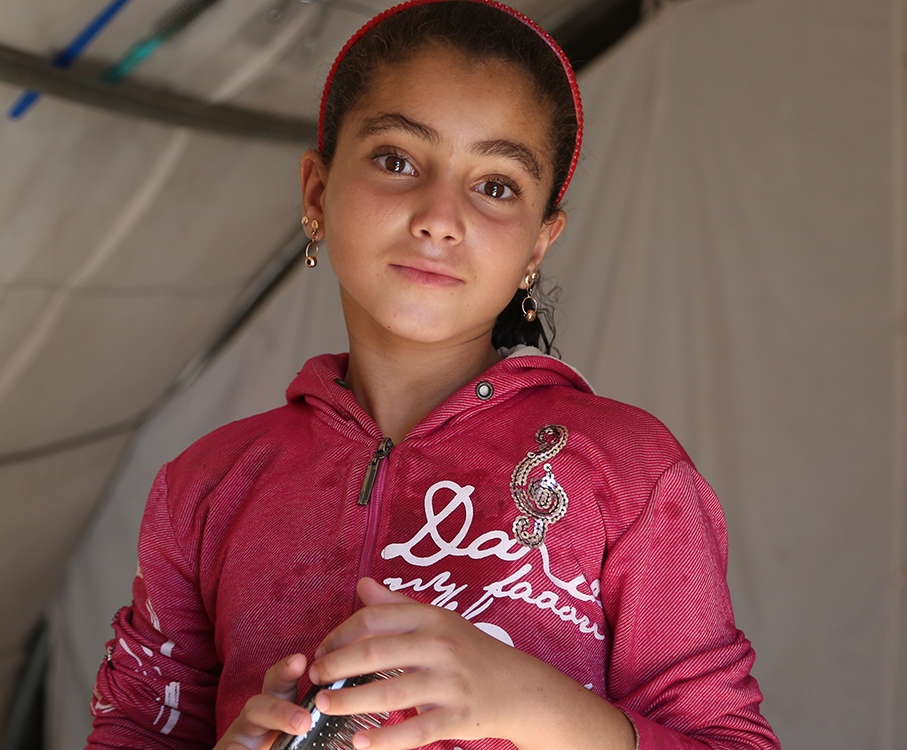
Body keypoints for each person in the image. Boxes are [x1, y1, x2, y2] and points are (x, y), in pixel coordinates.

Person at [86, 2, 779, 749]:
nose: (439, 216)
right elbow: (131, 731)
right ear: (316, 194)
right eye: (396, 161)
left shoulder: (631, 474)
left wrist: (535, 702)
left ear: (540, 243)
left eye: (498, 185)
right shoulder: (206, 489)